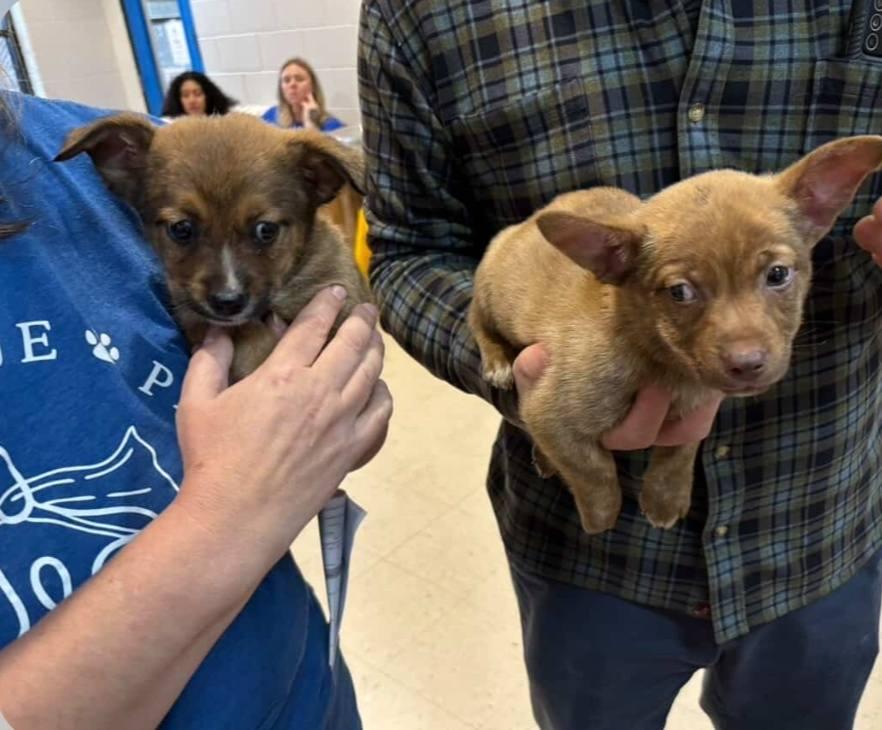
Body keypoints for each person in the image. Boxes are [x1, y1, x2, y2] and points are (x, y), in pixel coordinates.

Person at [358, 2, 882, 729]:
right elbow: (406, 248)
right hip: (588, 560)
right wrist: (522, 368)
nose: (743, 343)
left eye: (774, 275)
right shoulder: (425, 13)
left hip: (821, 524)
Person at [0, 87, 391, 727]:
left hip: (304, 687)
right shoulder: (118, 154)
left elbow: (336, 416)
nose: (226, 281)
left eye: (261, 235)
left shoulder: (68, 141)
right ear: (121, 168)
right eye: (184, 234)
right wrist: (238, 506)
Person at [262, 58, 344, 132]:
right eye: (286, 80)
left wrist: (310, 123)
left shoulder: (332, 126)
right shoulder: (271, 116)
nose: (292, 84)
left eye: (299, 79)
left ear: (312, 86)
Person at [161, 70, 236, 118]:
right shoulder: (169, 128)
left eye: (198, 94)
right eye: (185, 95)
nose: (192, 100)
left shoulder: (227, 120)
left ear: (208, 96)